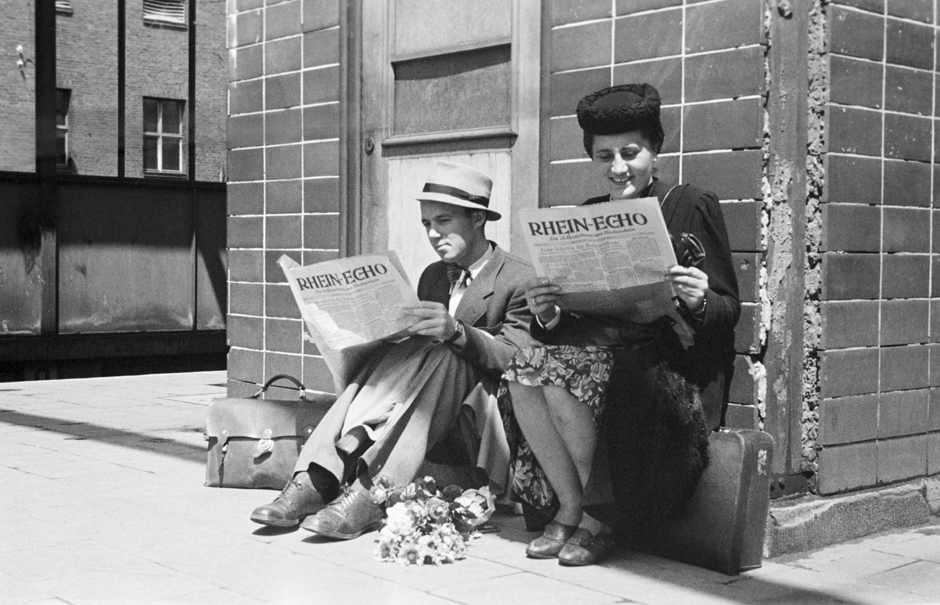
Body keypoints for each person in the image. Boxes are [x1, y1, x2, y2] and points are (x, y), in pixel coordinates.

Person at [499, 83, 740, 566]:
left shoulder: (689, 203)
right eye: (604, 155)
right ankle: (571, 505)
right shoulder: (589, 214)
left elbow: (728, 307)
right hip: (601, 352)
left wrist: (699, 297)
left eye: (631, 152)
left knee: (566, 372)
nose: (618, 167)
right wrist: (548, 312)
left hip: (665, 370)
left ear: (656, 150)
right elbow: (570, 319)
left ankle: (599, 516)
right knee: (523, 369)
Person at [250, 160, 535, 540]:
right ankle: (313, 478)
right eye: (426, 224)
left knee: (448, 352)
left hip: (480, 409)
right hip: (422, 401)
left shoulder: (518, 277)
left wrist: (457, 332)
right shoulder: (433, 275)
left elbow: (516, 359)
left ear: (478, 218)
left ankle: (370, 491)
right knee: (392, 353)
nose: (433, 234)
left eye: (444, 221)